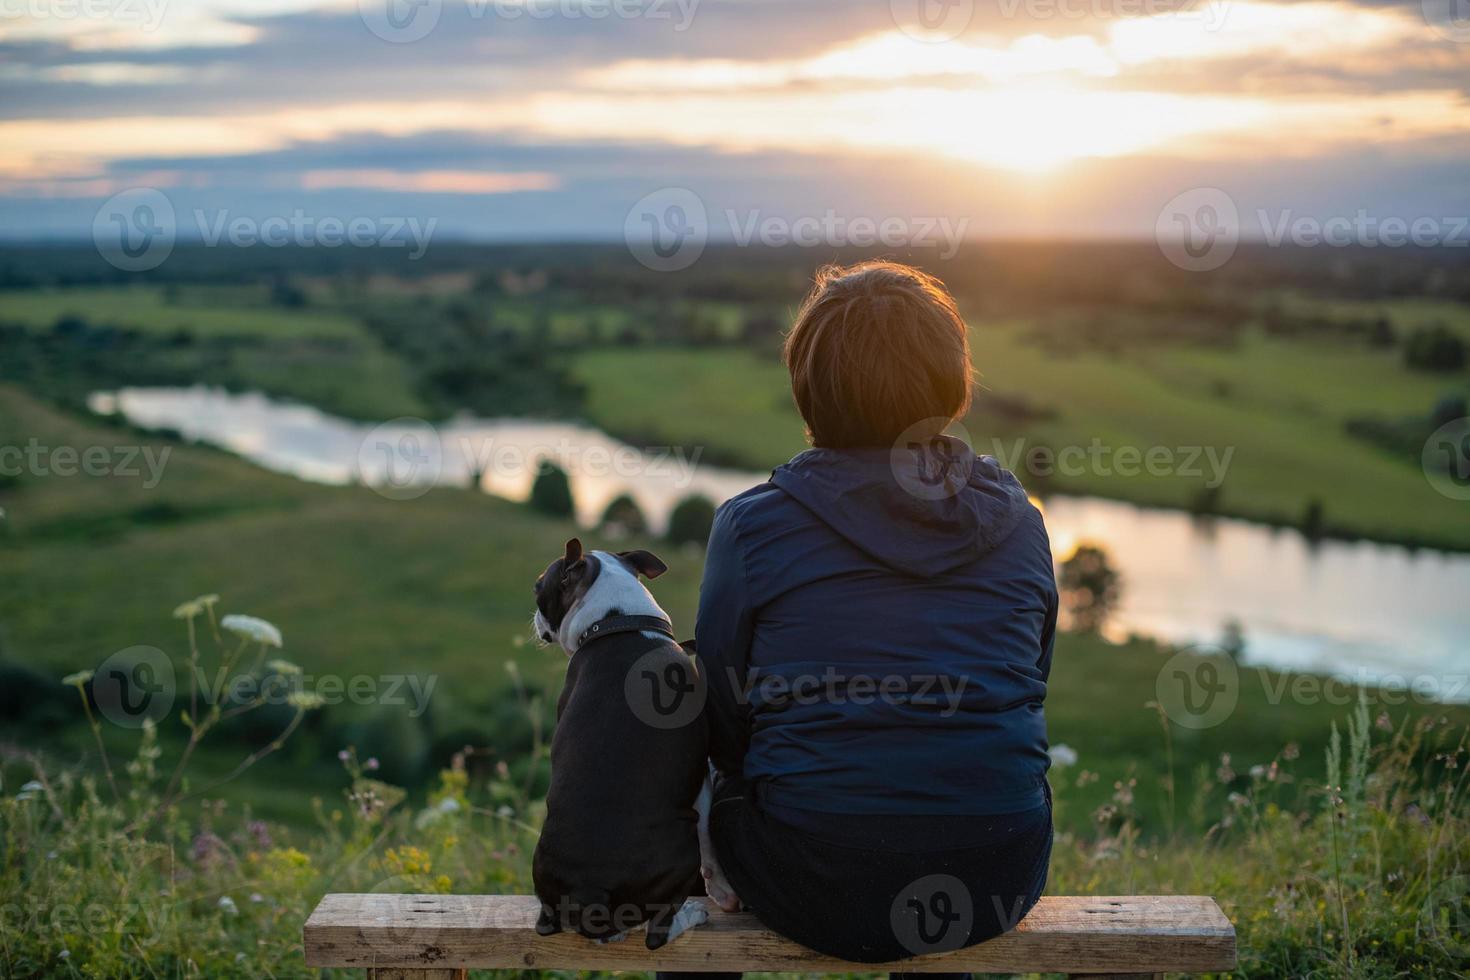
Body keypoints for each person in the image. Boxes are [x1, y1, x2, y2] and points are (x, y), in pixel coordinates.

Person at [665, 261, 1057, 980]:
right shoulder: (1020, 523)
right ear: (949, 382)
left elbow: (723, 718)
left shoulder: (753, 528)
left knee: (691, 812)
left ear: (811, 387)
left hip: (815, 875)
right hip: (998, 870)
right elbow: (1028, 681)